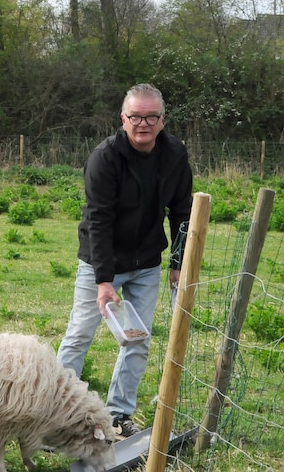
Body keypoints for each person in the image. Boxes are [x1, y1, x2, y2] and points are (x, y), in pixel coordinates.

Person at [57, 83, 193, 439]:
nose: (142, 124)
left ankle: (118, 416)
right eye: (135, 117)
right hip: (101, 263)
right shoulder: (105, 158)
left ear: (162, 120)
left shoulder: (175, 155)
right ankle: (54, 416)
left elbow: (182, 211)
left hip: (146, 263)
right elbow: (98, 219)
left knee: (138, 339)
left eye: (150, 117)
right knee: (80, 334)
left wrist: (178, 262)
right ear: (123, 118)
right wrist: (104, 281)